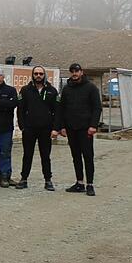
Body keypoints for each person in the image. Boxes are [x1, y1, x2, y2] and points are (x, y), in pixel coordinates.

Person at [55, 63, 102, 196]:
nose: (74, 73)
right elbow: (61, 109)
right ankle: (79, 183)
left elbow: (97, 108)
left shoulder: (91, 88)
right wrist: (62, 126)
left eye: (77, 71)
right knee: (75, 156)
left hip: (86, 129)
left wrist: (93, 125)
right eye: (72, 71)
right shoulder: (67, 89)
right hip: (71, 128)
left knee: (88, 156)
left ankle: (90, 184)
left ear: (81, 72)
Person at [16, 65, 58, 191]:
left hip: (46, 129)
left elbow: (57, 111)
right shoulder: (25, 90)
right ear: (32, 75)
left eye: (40, 74)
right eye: (36, 74)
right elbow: (20, 110)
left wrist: (55, 128)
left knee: (45, 155)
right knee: (27, 155)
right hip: (29, 129)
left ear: (44, 75)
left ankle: (48, 180)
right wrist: (23, 126)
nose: (38, 76)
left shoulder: (52, 91)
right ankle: (23, 179)